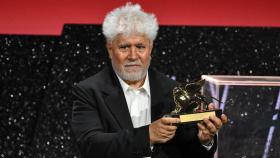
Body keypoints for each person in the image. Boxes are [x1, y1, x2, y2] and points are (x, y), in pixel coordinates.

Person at [71, 3, 227, 158]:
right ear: (110, 49)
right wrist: (147, 136)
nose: (133, 56)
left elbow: (191, 152)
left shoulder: (174, 90)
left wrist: (204, 140)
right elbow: (90, 145)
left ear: (150, 48)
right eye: (124, 47)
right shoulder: (89, 91)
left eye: (140, 47)